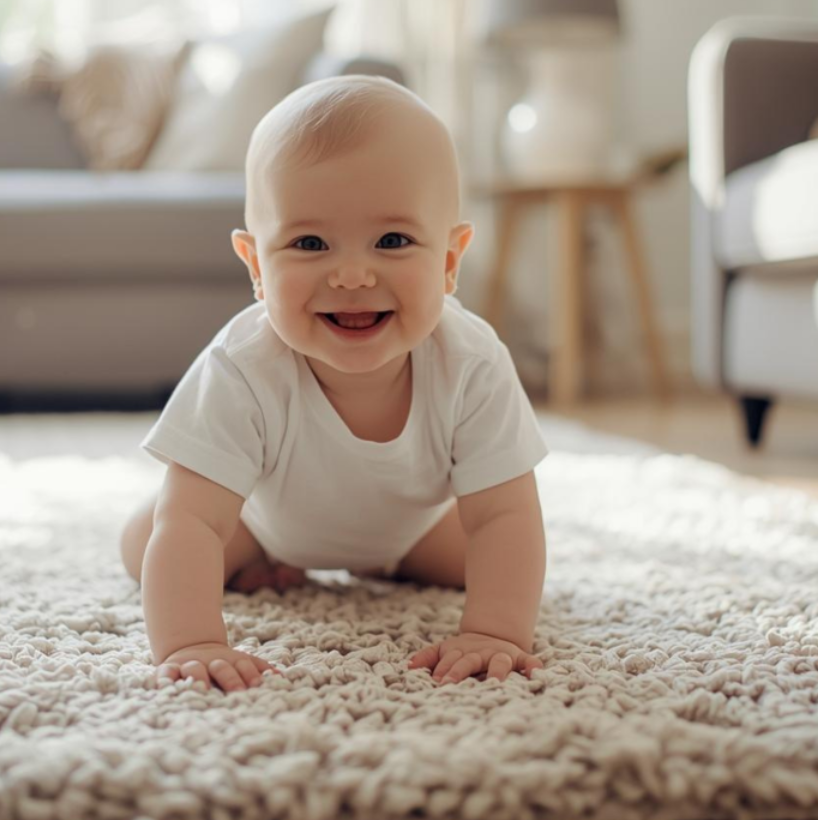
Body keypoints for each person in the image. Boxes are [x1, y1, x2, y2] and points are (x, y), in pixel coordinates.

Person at [119, 75, 550, 694]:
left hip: (414, 530)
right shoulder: (242, 368)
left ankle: (385, 563)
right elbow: (193, 520)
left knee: (497, 555)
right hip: (265, 525)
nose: (351, 275)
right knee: (148, 542)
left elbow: (505, 512)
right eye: (310, 243)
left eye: (393, 241)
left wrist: (494, 631)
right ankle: (271, 559)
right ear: (257, 266)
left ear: (450, 261)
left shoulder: (471, 363)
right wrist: (193, 643)